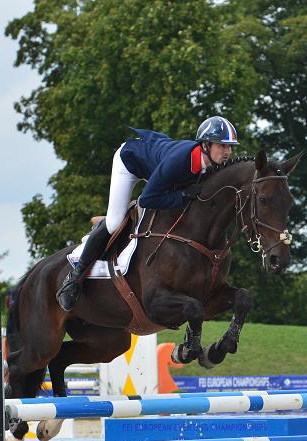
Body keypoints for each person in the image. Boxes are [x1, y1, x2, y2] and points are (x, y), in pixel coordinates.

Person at [56, 116, 239, 311]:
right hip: (130, 162)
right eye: (222, 146)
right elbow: (146, 200)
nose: (227, 152)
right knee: (114, 222)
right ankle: (73, 278)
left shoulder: (212, 163)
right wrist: (182, 196)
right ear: (205, 145)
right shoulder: (178, 162)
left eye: (230, 147)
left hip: (156, 162)